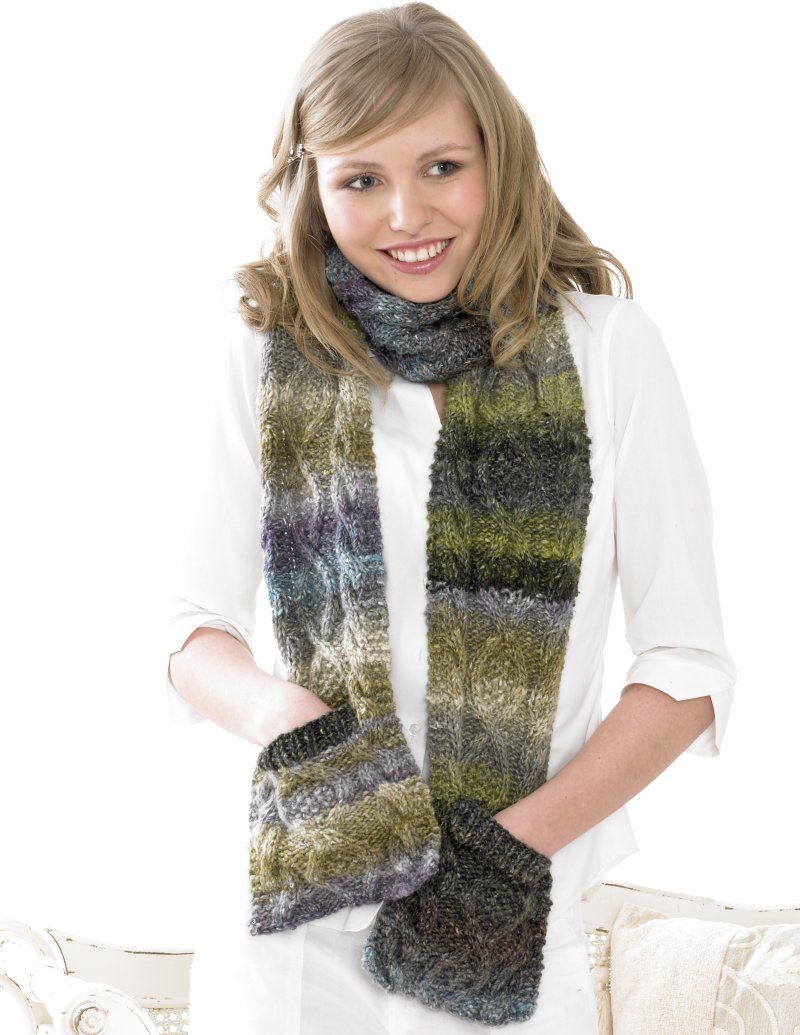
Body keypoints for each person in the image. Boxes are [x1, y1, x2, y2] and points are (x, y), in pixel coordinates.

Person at [166, 4, 736, 1032]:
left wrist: (512, 845)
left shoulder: (608, 350)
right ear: (313, 187)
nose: (405, 214)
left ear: (497, 158)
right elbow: (189, 629)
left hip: (514, 917)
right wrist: (286, 718)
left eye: (441, 167)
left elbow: (686, 669)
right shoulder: (265, 358)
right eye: (360, 180)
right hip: (299, 919)